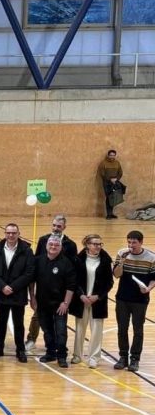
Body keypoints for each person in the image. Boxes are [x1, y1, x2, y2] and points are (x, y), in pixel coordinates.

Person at [0, 223, 34, 363]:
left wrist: (12, 287)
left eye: (14, 233)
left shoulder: (26, 250)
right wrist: (2, 286)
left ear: (18, 234)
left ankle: (20, 350)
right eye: (8, 233)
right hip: (1, 293)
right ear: (5, 234)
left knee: (18, 323)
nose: (11, 235)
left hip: (18, 293)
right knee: (1, 322)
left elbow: (29, 272)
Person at [112, 230, 155, 372]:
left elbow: (153, 278)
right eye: (129, 242)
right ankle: (123, 357)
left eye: (134, 242)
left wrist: (148, 288)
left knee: (138, 330)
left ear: (141, 242)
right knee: (122, 329)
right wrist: (121, 262)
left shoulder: (151, 257)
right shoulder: (122, 253)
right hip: (122, 298)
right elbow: (116, 275)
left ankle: (135, 358)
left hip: (140, 300)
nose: (131, 245)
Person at [70, 234, 113, 368]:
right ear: (87, 245)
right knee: (79, 329)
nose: (98, 246)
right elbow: (74, 280)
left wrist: (98, 296)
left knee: (96, 331)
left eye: (100, 244)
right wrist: (81, 295)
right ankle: (77, 355)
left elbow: (109, 283)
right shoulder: (78, 259)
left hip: (97, 301)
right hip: (81, 300)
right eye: (95, 244)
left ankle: (94, 357)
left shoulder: (105, 260)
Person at [33, 237, 77, 368]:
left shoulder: (66, 263)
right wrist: (32, 297)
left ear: (60, 247)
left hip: (60, 305)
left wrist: (66, 303)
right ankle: (50, 353)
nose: (53, 247)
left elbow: (71, 286)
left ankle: (62, 356)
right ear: (46, 246)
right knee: (47, 330)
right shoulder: (38, 261)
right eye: (51, 244)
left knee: (61, 331)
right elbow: (32, 281)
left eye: (56, 245)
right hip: (42, 303)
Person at [98, 149, 124, 219]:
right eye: (111, 155)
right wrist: (110, 179)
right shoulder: (103, 163)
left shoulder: (117, 163)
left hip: (115, 183)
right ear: (108, 155)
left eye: (113, 155)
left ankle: (111, 213)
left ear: (115, 155)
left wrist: (116, 179)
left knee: (113, 198)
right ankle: (108, 214)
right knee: (109, 197)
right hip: (107, 183)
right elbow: (102, 173)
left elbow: (120, 173)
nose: (112, 157)